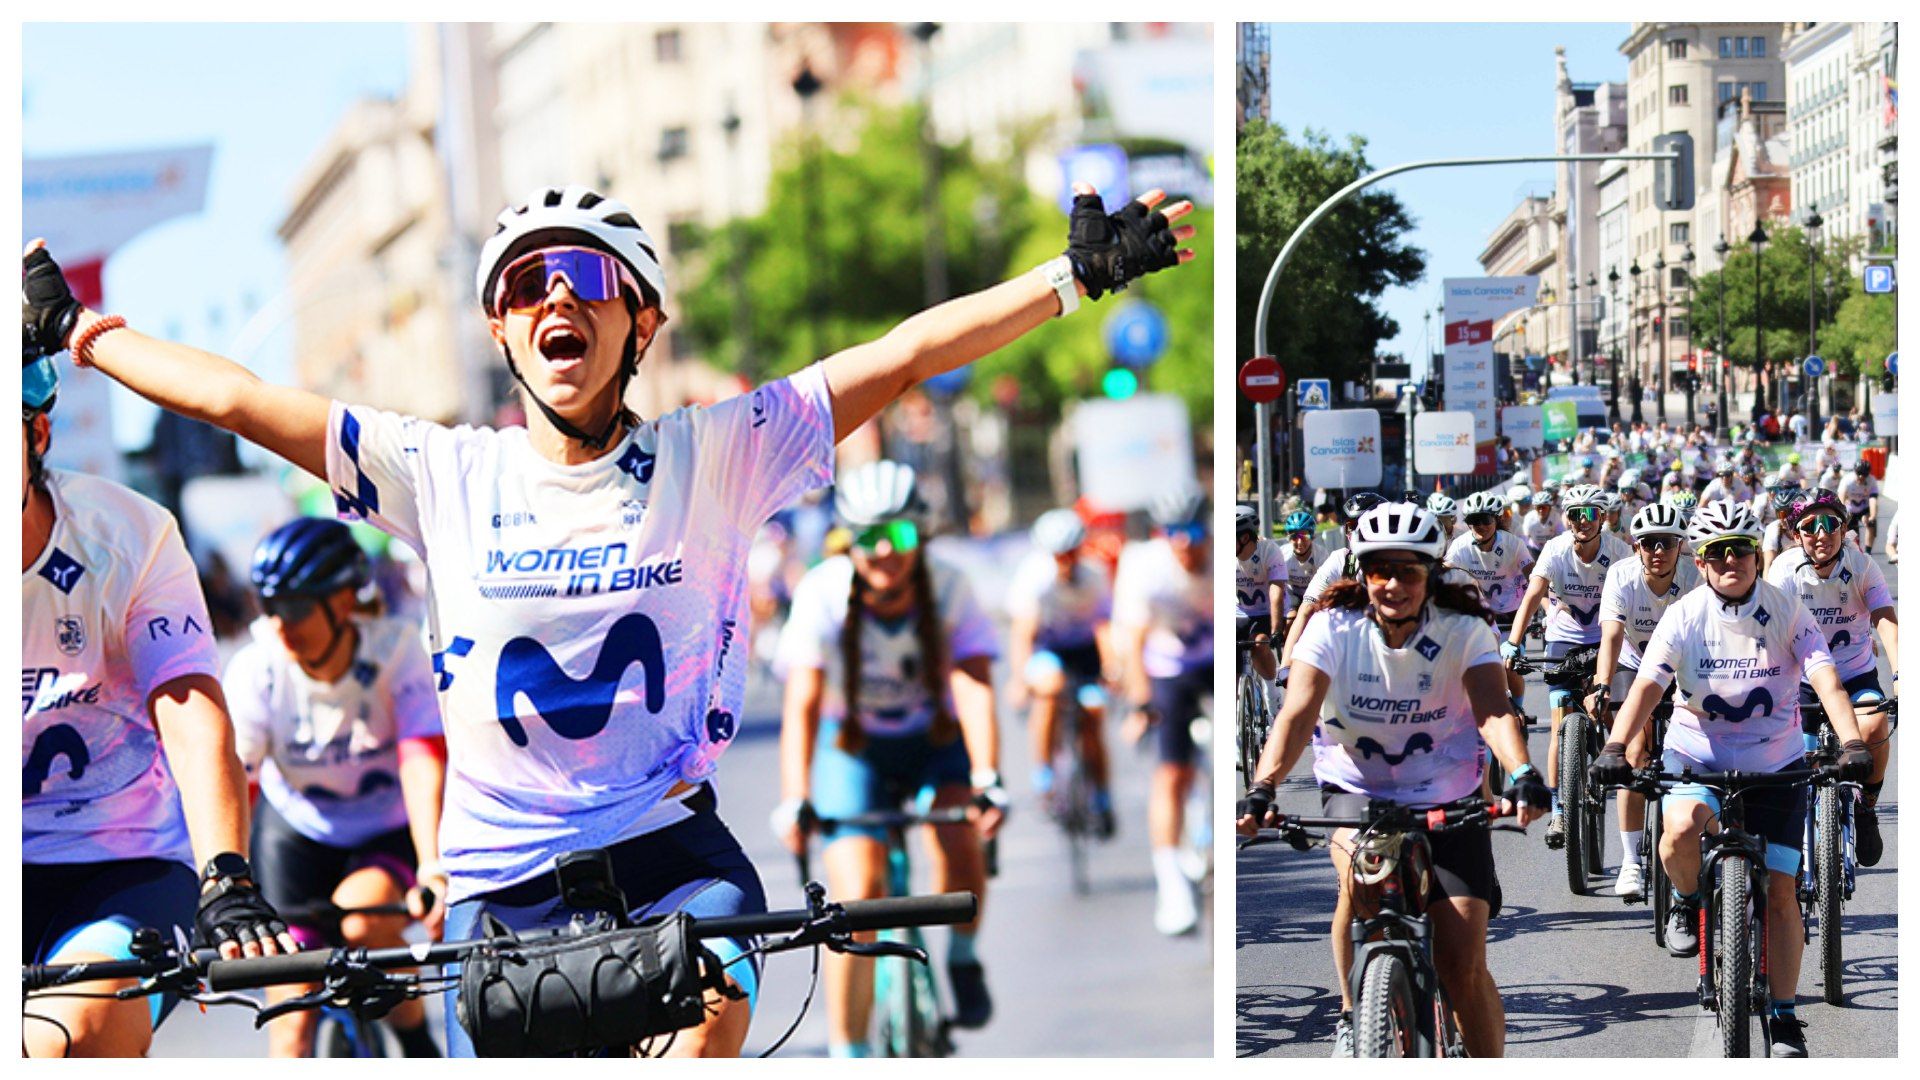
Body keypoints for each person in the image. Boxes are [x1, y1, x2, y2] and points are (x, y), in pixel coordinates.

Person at [24, 178, 1192, 1056]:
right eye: (527, 288)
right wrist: (79, 328)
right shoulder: (442, 472)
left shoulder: (720, 452)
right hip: (499, 879)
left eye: (585, 282)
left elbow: (899, 355)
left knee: (722, 1001)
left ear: (643, 321)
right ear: (501, 332)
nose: (555, 303)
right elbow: (240, 398)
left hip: (670, 851)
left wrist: (1068, 279)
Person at [21, 342, 296, 1058]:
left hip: (121, 862)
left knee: (62, 1036)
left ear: (36, 434)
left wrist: (226, 871)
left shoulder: (130, 536)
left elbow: (186, 701)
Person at [1240, 504, 1549, 1058]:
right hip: (1356, 791)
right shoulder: (1334, 627)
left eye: (1408, 571)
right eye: (1379, 569)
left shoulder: (1464, 627)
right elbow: (1296, 714)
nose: (1392, 584)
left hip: (1447, 795)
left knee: (1462, 965)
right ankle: (1355, 1013)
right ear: (1361, 572)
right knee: (1358, 888)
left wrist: (1523, 773)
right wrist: (1263, 788)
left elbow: (1494, 709)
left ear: (1431, 574)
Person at [1590, 501, 1873, 1057]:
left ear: (1756, 556)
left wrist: (1855, 742)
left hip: (1777, 762)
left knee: (1783, 894)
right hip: (1696, 756)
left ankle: (1787, 1017)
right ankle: (1690, 899)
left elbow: (1827, 681)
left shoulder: (1787, 609)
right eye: (1716, 552)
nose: (1729, 561)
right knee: (1678, 832)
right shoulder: (1685, 614)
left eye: (1740, 550)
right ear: (1701, 559)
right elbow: (1647, 688)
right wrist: (1616, 746)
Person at [775, 462, 1004, 1055]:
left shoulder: (950, 584)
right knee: (858, 901)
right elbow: (802, 701)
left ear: (920, 536)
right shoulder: (822, 592)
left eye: (898, 535)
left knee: (962, 839)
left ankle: (963, 955)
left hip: (934, 742)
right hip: (855, 750)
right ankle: (849, 1052)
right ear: (846, 541)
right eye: (868, 539)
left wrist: (987, 777)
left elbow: (974, 681)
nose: (884, 552)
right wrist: (795, 797)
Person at [227, 518, 447, 1057]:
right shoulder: (258, 669)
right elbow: (238, 779)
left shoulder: (397, 651)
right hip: (295, 834)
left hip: (385, 829)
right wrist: (227, 885)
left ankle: (416, 1042)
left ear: (345, 600)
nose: (281, 624)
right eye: (269, 606)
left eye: (298, 608)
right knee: (292, 1021)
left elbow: (421, 756)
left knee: (365, 916)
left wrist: (433, 866)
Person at [1765, 488, 1898, 865]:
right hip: (1802, 680)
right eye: (1810, 526)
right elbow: (1767, 633)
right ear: (1796, 535)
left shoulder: (1861, 566)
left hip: (1854, 674)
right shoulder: (1783, 571)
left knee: (1873, 726)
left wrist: (1902, 673)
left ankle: (1867, 807)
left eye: (1830, 524)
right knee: (1798, 763)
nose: (1821, 533)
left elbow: (1886, 621)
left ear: (1843, 528)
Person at [1501, 484, 1633, 845]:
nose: (1582, 521)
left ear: (1602, 518)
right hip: (1565, 637)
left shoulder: (1620, 552)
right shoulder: (1555, 550)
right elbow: (1532, 595)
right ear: (1566, 519)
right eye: (1575, 514)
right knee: (1561, 723)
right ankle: (1560, 811)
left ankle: (1618, 767)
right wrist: (1513, 643)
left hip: (1608, 638)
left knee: (1613, 712)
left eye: (1590, 513)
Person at [1584, 503, 1700, 899]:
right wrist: (1602, 684)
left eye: (1666, 543)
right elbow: (1612, 637)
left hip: (1683, 667)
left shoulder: (1694, 577)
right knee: (1633, 752)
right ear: (1636, 547)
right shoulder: (1621, 576)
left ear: (1679, 546)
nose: (1658, 551)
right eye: (1649, 543)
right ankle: (1632, 862)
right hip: (1634, 663)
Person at [1114, 484, 1213, 937]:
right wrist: (1140, 703)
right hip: (1167, 665)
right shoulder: (1145, 565)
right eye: (1172, 532)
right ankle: (1170, 881)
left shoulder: (1221, 559)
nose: (1184, 543)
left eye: (1193, 531)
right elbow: (1132, 643)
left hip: (1214, 659)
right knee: (1170, 773)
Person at [1007, 506, 1115, 835]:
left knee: (1094, 713)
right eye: (1058, 556)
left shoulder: (1094, 575)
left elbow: (1105, 627)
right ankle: (1045, 779)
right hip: (1048, 650)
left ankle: (1101, 794)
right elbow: (1023, 632)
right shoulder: (1034, 578)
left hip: (1083, 651)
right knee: (1049, 692)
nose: (1065, 562)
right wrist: (1018, 680)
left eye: (1071, 554)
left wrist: (1113, 667)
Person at [1234, 503, 1287, 689]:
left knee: (1259, 645)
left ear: (1245, 537)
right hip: (1240, 612)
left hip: (1266, 611)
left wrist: (1276, 630)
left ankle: (1273, 697)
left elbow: (1276, 591)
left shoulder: (1269, 550)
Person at [1838, 459, 1882, 553]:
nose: (1861, 476)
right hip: (1850, 509)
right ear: (1855, 472)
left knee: (1870, 524)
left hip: (1864, 507)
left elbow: (1873, 500)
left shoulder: (1871, 481)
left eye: (1864, 474)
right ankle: (1856, 551)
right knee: (1853, 535)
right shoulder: (1847, 480)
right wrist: (1842, 514)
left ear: (1868, 474)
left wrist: (1873, 517)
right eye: (1859, 474)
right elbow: (1841, 497)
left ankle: (1868, 552)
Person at [1520, 489, 1559, 559]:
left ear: (1550, 508)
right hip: (1535, 548)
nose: (1541, 510)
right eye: (1538, 508)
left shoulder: (1555, 515)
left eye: (1544, 507)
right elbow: (1524, 537)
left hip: (1551, 547)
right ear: (1535, 508)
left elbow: (1561, 532)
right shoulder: (1529, 518)